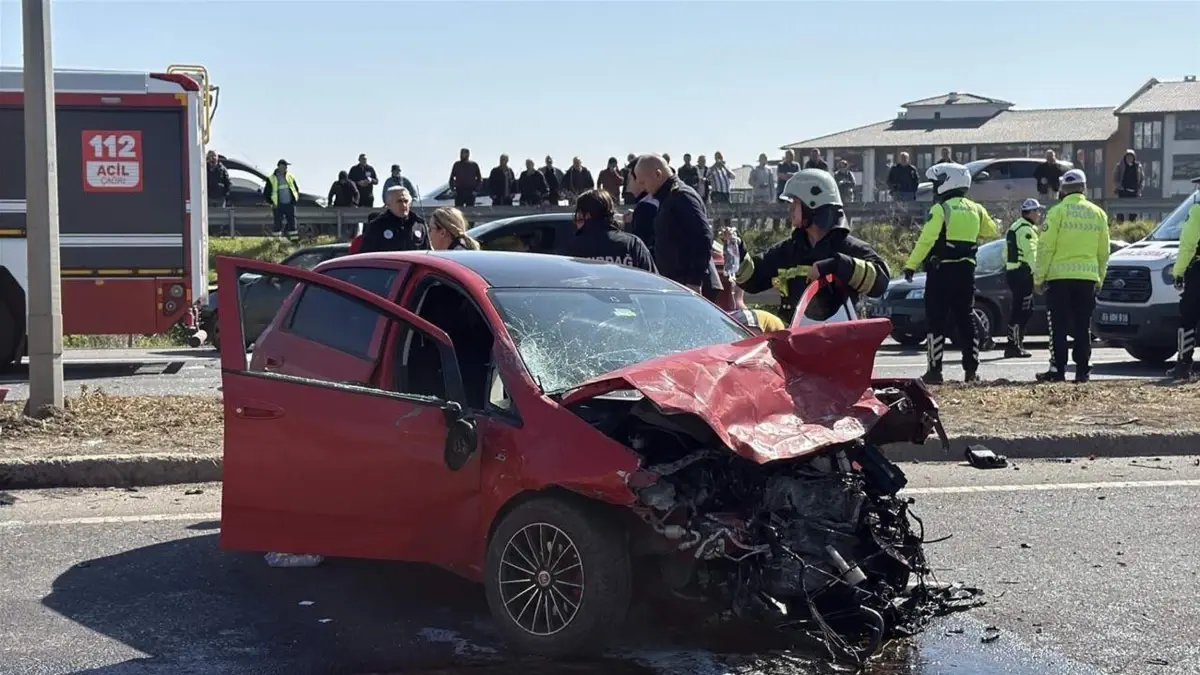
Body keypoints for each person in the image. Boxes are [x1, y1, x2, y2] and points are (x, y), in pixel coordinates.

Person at [735, 169, 889, 325]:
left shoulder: (850, 248)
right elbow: (753, 281)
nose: (790, 209)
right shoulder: (788, 250)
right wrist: (738, 251)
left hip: (840, 341)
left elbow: (880, 282)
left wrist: (834, 265)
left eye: (796, 203)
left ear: (813, 206)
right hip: (793, 342)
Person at [901, 162, 998, 384]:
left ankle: (935, 372)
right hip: (966, 272)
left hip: (941, 271)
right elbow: (992, 231)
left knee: (936, 321)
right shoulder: (977, 209)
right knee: (966, 319)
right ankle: (971, 372)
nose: (935, 188)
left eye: (937, 183)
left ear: (947, 183)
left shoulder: (941, 209)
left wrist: (910, 266)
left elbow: (926, 240)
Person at [1033, 169, 1110, 383]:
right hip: (1087, 278)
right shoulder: (1098, 214)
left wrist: (1039, 278)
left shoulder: (1057, 212)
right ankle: (1083, 370)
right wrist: (1100, 278)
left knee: (1058, 326)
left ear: (1062, 189)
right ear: (1084, 188)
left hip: (1059, 278)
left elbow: (1045, 247)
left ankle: (1058, 369)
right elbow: (1103, 251)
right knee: (1082, 326)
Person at [634, 154, 715, 294]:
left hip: (688, 285)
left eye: (643, 182)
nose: (642, 188)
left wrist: (694, 281)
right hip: (677, 282)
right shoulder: (668, 198)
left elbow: (703, 236)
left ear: (657, 174)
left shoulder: (681, 196)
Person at [559, 189, 655, 272]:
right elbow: (653, 281)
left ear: (587, 215)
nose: (577, 218)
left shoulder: (573, 247)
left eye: (579, 214)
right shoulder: (632, 245)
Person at [1002, 198, 1043, 358]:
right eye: (1037, 211)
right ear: (1030, 212)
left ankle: (1015, 344)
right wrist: (1039, 278)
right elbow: (1031, 254)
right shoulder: (1026, 230)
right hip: (1022, 273)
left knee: (1023, 308)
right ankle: (1014, 345)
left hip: (1014, 272)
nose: (1039, 214)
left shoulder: (1015, 226)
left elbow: (1005, 252)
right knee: (1022, 311)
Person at [1171, 177, 1200, 380]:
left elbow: (1188, 244)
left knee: (1188, 316)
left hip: (1198, 268)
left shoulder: (1198, 211)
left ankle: (1184, 365)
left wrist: (1178, 272)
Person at [358, 186, 431, 253]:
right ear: (388, 204)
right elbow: (366, 255)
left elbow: (428, 253)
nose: (403, 205)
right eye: (399, 201)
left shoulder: (418, 224)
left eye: (406, 201)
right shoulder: (377, 226)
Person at [262, 159, 300, 236]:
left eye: (286, 166)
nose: (286, 167)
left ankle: (294, 242)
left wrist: (295, 200)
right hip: (278, 205)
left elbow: (295, 189)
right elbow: (266, 193)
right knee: (278, 225)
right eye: (284, 165)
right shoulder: (272, 178)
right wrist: (272, 203)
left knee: (292, 224)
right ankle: (277, 243)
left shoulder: (290, 176)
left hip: (290, 204)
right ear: (279, 166)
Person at [1113, 150, 1144, 223]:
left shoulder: (1138, 166)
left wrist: (1140, 190)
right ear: (1125, 157)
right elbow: (1115, 178)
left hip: (1134, 192)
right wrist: (1119, 186)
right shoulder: (1120, 165)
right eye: (1128, 157)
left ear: (1134, 158)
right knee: (1121, 211)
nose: (1129, 158)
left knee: (1133, 212)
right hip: (1123, 192)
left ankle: (1132, 225)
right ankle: (1119, 224)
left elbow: (1142, 179)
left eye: (1131, 157)